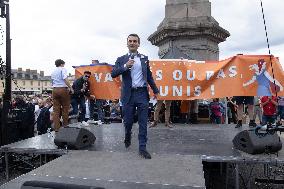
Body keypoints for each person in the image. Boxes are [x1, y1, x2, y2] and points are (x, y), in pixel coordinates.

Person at [111, 33, 159, 159]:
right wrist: (126, 66)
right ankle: (128, 135)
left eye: (135, 41)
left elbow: (148, 76)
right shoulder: (121, 59)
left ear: (138, 44)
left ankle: (142, 148)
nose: (132, 43)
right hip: (128, 94)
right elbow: (113, 73)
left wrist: (156, 90)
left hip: (142, 93)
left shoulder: (144, 58)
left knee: (143, 122)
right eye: (130, 41)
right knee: (128, 122)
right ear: (127, 43)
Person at [51, 59, 74, 132]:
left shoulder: (53, 71)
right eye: (63, 64)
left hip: (54, 90)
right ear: (61, 64)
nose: (64, 65)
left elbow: (52, 82)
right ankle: (65, 126)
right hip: (63, 89)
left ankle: (56, 128)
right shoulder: (63, 69)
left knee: (56, 110)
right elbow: (65, 79)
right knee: (65, 108)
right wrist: (71, 88)